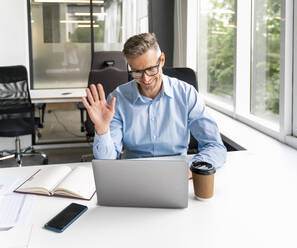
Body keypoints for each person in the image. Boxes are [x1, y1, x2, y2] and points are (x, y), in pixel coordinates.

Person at [82, 33, 226, 169]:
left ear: (161, 60)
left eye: (151, 69)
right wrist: (102, 130)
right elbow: (106, 161)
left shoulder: (186, 94)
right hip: (134, 174)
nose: (146, 79)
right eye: (137, 72)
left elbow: (214, 146)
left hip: (178, 172)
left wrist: (192, 169)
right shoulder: (118, 99)